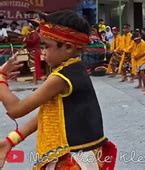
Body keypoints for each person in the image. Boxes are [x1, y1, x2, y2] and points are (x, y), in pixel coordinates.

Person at [0, 10, 116, 169]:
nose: (43, 52)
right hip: (79, 157)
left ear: (68, 47)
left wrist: (1, 77)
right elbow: (47, 115)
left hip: (74, 160)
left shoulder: (61, 77)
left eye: (46, 46)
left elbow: (16, 109)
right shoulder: (72, 68)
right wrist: (10, 141)